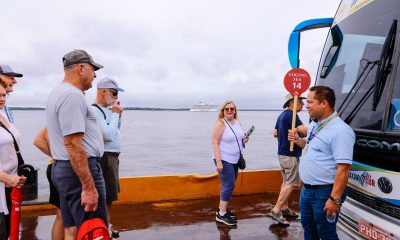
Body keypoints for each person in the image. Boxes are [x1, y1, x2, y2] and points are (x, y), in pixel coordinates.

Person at [46, 49, 107, 239]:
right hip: (79, 171)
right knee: (94, 230)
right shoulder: (72, 96)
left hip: (64, 169)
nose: (95, 75)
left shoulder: (58, 92)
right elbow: (72, 144)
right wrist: (88, 188)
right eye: (92, 69)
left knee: (73, 229)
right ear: (81, 68)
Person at [289, 86, 355, 240]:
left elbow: (344, 169)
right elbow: (311, 147)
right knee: (308, 228)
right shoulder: (314, 124)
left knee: (326, 234)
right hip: (307, 190)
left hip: (325, 192)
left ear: (324, 103)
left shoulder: (341, 131)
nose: (306, 105)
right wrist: (298, 140)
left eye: (310, 102)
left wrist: (334, 199)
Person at [91, 77, 124, 238]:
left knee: (108, 198)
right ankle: (102, 231)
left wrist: (117, 115)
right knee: (106, 199)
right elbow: (108, 136)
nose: (117, 97)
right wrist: (115, 115)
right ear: (103, 92)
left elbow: (115, 129)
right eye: (114, 93)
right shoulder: (95, 111)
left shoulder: (106, 110)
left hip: (111, 158)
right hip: (105, 159)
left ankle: (106, 228)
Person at [269, 93, 307, 225]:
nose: (303, 104)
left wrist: (285, 136)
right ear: (293, 103)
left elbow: (275, 133)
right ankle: (276, 209)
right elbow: (305, 131)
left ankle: (284, 208)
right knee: (292, 183)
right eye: (300, 102)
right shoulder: (292, 115)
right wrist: (298, 129)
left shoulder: (282, 115)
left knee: (286, 182)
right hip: (290, 154)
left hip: (282, 153)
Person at [211, 100, 248, 226]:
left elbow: (238, 137)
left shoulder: (237, 122)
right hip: (224, 159)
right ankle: (221, 215)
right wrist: (219, 162)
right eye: (227, 109)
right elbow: (214, 143)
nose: (229, 111)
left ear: (235, 111)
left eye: (232, 109)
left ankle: (222, 210)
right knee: (229, 185)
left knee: (229, 184)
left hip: (235, 159)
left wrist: (244, 138)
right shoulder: (220, 124)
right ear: (223, 111)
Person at [0, 80, 26, 239]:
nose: (2, 99)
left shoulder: (2, 114)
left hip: (9, 185)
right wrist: (7, 178)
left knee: (9, 230)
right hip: (5, 182)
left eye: (3, 95)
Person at [33, 127, 66, 240]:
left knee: (62, 215)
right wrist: (59, 157)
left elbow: (38, 140)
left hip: (57, 168)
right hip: (61, 169)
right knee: (64, 215)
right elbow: (38, 141)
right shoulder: (63, 116)